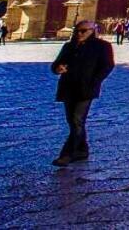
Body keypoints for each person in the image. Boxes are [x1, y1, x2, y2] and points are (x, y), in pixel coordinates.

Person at [50, 20, 115, 166]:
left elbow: (108, 66)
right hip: (67, 87)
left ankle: (67, 154)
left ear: (93, 31)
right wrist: (57, 68)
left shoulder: (102, 46)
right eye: (77, 30)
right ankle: (82, 150)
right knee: (73, 121)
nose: (80, 33)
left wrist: (95, 81)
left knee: (77, 120)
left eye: (84, 30)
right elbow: (56, 64)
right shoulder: (69, 46)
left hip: (86, 89)